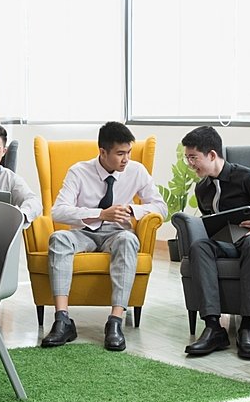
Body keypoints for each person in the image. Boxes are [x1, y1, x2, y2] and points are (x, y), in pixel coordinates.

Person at [41, 122, 167, 352]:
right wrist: (100, 214)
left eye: (128, 152)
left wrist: (132, 210)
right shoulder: (79, 171)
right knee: (58, 238)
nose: (126, 159)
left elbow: (161, 206)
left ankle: (115, 321)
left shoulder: (136, 171)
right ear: (103, 152)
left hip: (116, 234)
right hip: (84, 233)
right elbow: (58, 211)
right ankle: (62, 320)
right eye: (120, 153)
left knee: (129, 240)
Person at [181, 126, 250, 361]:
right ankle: (213, 328)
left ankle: (247, 328)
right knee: (200, 246)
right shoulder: (202, 188)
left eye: (193, 158)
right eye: (187, 158)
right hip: (226, 242)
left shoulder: (248, 178)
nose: (190, 164)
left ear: (211, 155)